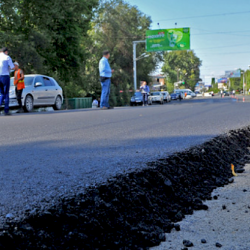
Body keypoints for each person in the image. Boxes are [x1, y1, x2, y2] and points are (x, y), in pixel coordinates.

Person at [0, 47, 15, 115]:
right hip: (5, 76)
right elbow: (12, 67)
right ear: (6, 51)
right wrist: (9, 68)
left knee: (1, 94)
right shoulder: (7, 57)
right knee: (6, 94)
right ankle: (6, 110)